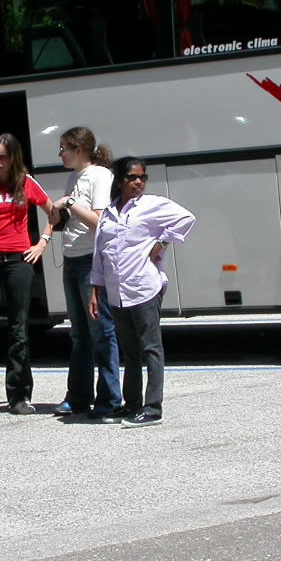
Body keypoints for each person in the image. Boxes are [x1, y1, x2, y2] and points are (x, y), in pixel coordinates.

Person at [89, 157, 195, 428]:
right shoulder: (109, 213)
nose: (139, 182)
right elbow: (100, 254)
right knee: (130, 352)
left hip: (144, 288)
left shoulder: (151, 205)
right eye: (132, 177)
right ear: (119, 181)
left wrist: (163, 241)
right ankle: (132, 405)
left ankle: (153, 408)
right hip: (117, 293)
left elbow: (186, 218)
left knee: (151, 349)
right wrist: (95, 291)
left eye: (143, 177)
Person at [0, 133, 54, 417]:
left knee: (19, 330)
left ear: (13, 158)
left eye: (3, 157)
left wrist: (41, 243)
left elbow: (53, 212)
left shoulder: (26, 182)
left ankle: (19, 396)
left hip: (19, 259)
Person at [44, 127, 123, 419]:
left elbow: (99, 221)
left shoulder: (99, 175)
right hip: (72, 258)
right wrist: (60, 214)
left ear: (80, 150)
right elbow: (78, 216)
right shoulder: (75, 176)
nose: (60, 154)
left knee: (101, 331)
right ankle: (78, 396)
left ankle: (110, 399)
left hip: (91, 259)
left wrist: (69, 203)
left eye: (64, 148)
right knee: (79, 333)